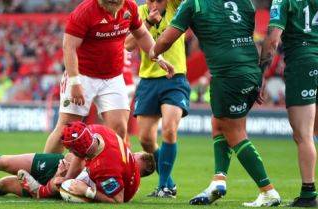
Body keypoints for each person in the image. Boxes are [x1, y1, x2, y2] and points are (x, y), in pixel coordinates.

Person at [150, 0, 281, 206]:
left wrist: (153, 52)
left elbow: (167, 39)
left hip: (227, 75)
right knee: (218, 125)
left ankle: (268, 190)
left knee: (235, 132)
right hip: (250, 71)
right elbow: (244, 32)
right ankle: (218, 181)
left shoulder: (193, 4)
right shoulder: (244, 2)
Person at [42, 0, 174, 154]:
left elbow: (142, 33)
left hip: (113, 78)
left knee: (119, 129)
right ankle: (45, 173)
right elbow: (69, 46)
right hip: (83, 76)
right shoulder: (85, 11)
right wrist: (74, 81)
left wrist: (158, 56)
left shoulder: (129, 7)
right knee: (66, 129)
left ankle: (106, 175)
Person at [124, 0, 189, 198]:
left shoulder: (175, 7)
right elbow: (128, 45)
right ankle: (169, 183)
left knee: (169, 130)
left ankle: (164, 188)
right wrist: (149, 23)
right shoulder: (139, 11)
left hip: (174, 78)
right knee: (146, 140)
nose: (153, 3)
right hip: (148, 81)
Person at [261, 0, 318, 207]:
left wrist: (261, 73)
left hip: (303, 63)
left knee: (303, 134)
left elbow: (274, 39)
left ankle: (308, 193)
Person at [20, 121, 156, 203]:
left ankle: (40, 191)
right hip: (104, 165)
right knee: (68, 166)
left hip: (108, 184)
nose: (70, 151)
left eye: (71, 149)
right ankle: (44, 188)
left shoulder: (107, 168)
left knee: (67, 184)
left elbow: (117, 200)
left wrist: (87, 192)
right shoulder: (97, 131)